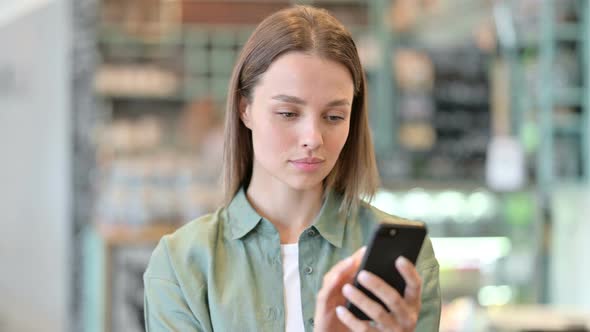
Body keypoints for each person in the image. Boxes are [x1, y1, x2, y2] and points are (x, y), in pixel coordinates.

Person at [143, 5, 440, 332]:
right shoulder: (181, 264)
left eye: (334, 117)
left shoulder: (405, 261)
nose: (312, 138)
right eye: (287, 113)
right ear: (246, 110)